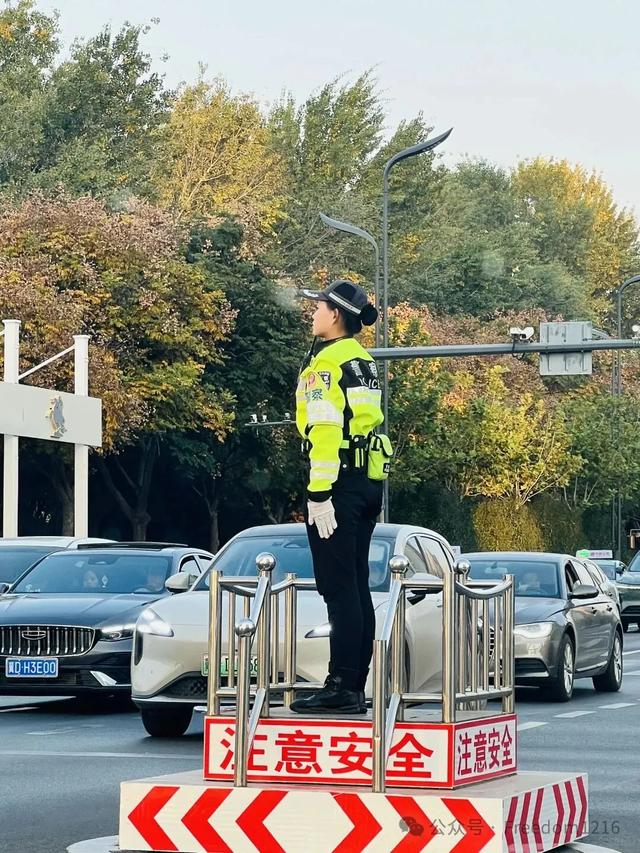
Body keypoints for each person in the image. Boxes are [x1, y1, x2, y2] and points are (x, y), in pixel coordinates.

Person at [291, 279, 384, 715]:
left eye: (319, 308)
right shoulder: (363, 361)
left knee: (338, 589)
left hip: (338, 484)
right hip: (366, 480)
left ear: (336, 316)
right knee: (356, 586)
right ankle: (354, 683)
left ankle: (342, 687)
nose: (312, 314)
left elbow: (326, 430)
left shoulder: (325, 366)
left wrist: (318, 493)